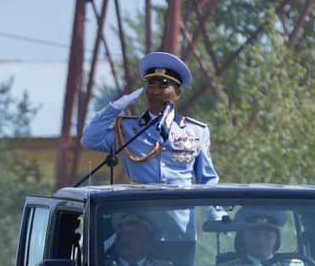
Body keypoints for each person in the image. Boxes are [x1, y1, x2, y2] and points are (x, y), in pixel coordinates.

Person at [80, 50, 217, 186]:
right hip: (141, 206)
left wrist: (215, 208)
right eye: (151, 85)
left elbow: (208, 181)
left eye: (163, 86)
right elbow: (90, 140)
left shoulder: (197, 131)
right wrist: (115, 107)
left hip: (180, 207)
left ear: (177, 93)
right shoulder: (127, 129)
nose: (155, 91)